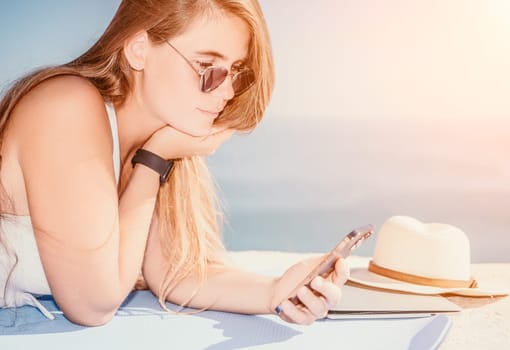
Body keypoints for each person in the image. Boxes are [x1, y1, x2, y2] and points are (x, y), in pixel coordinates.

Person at [0, 0, 348, 327]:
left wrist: (276, 291)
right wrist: (154, 159)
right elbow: (93, 303)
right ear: (138, 48)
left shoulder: (161, 137)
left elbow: (172, 273)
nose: (226, 92)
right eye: (206, 67)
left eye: (236, 71)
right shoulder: (65, 107)